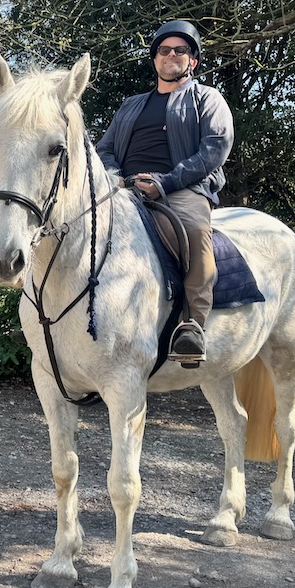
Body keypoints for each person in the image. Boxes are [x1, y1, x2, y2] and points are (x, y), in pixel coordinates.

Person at [95, 20, 234, 365]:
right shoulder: (131, 105)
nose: (171, 54)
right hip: (124, 188)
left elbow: (215, 148)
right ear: (155, 59)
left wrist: (166, 182)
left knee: (196, 232)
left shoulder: (207, 99)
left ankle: (192, 326)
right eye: (164, 50)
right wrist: (118, 179)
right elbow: (105, 149)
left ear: (193, 61)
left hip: (182, 189)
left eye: (180, 50)